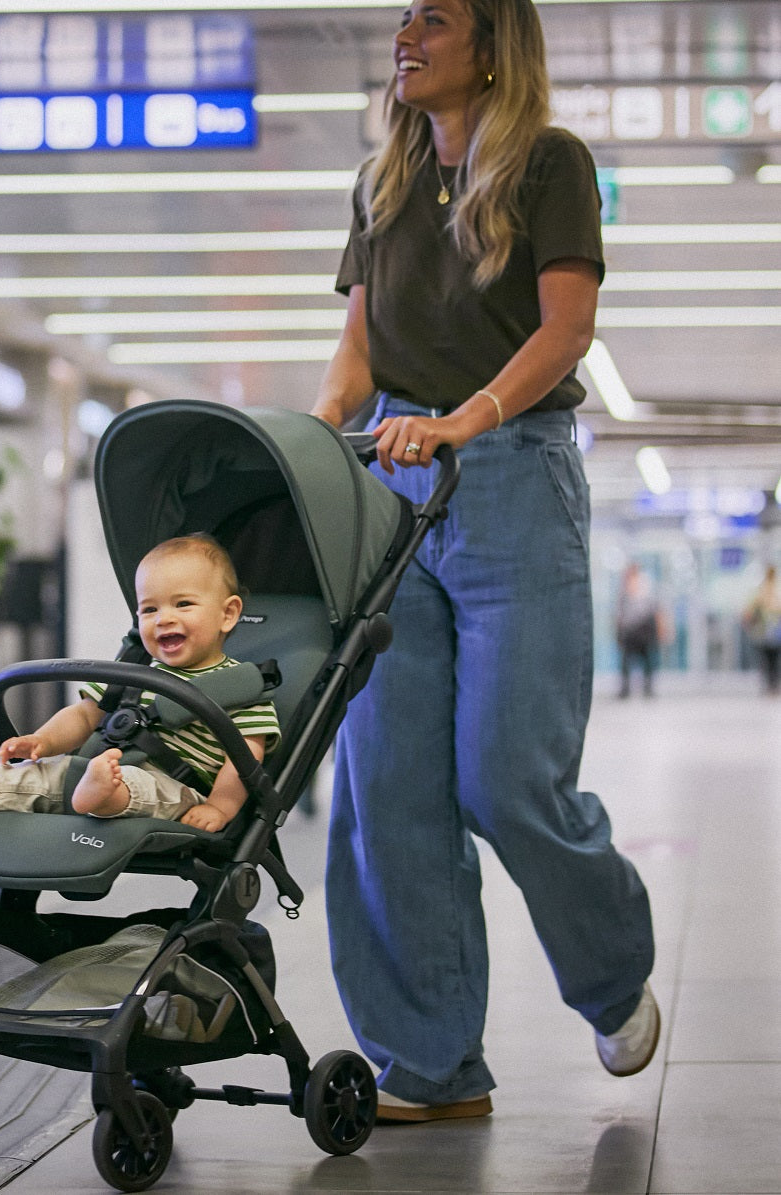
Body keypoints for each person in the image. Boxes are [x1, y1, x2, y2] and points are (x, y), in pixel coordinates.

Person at [311, 0, 657, 1123]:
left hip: (511, 470)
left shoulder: (549, 165)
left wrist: (468, 416)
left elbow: (566, 329)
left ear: (495, 45)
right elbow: (357, 352)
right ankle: (431, 1059)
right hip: (393, 485)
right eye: (403, 17)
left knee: (506, 778)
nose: (406, 32)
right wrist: (316, 438)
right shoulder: (381, 186)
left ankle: (610, 978)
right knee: (386, 788)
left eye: (436, 18)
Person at [0, 534, 280, 833]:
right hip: (97, 770)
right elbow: (83, 714)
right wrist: (41, 741)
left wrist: (220, 808)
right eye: (149, 609)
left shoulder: (241, 689)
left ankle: (103, 796)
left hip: (178, 789)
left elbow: (244, 758)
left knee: (140, 787)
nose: (163, 619)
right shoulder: (135, 675)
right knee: (33, 777)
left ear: (228, 615)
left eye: (183, 604)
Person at [615, 562, 661, 698]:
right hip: (629, 632)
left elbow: (654, 610)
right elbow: (620, 614)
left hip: (643, 631)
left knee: (647, 662)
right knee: (625, 662)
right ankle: (625, 689)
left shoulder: (646, 589)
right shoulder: (623, 592)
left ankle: (648, 688)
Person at [742, 564, 781, 695]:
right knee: (772, 660)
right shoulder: (773, 590)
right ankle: (772, 686)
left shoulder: (762, 591)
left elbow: (750, 610)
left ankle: (770, 686)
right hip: (770, 632)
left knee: (768, 660)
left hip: (767, 632)